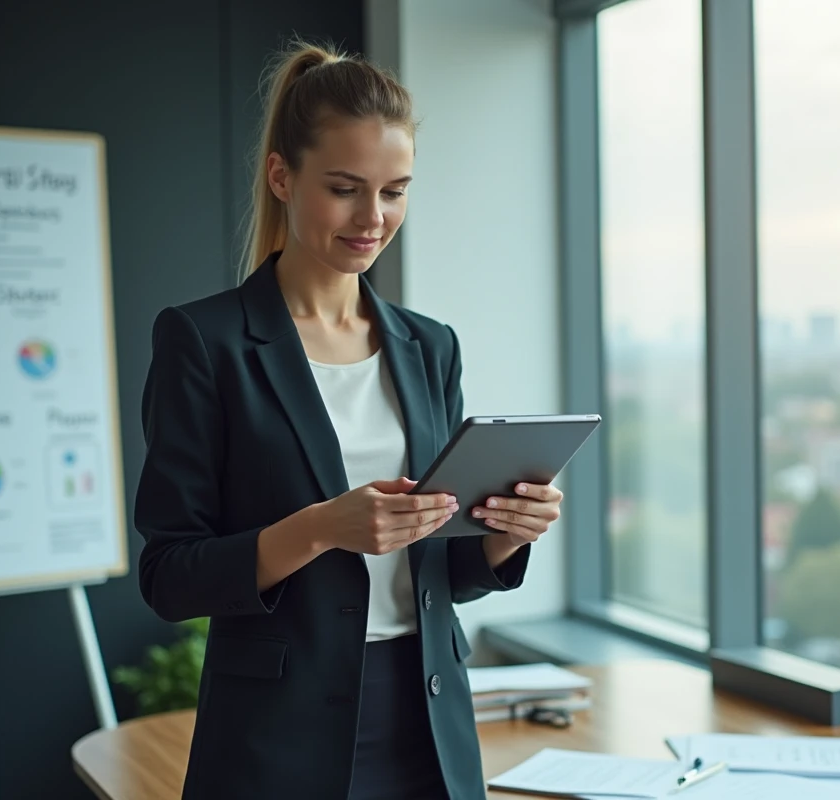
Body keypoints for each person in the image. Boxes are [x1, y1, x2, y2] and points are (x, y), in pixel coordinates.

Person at [133, 40, 563, 800]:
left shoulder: (430, 346)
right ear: (281, 177)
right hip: (276, 738)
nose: (373, 218)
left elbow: (441, 570)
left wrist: (502, 535)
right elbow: (169, 577)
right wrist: (324, 527)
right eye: (345, 188)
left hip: (429, 727)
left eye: (395, 191)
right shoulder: (205, 342)